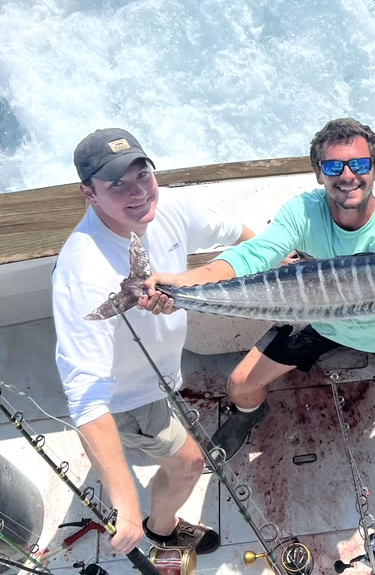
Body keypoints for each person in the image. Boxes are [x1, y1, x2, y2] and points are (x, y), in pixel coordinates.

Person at [138, 117, 375, 459]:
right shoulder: (303, 212)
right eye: (334, 165)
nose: (347, 176)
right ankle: (250, 414)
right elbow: (253, 255)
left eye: (359, 164)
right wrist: (183, 285)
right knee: (239, 387)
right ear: (319, 172)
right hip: (322, 320)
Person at [52, 128, 255, 556]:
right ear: (88, 193)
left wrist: (279, 264)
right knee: (190, 463)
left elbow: (234, 231)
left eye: (142, 173)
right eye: (117, 184)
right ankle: (161, 528)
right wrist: (125, 501)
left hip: (165, 370)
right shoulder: (81, 274)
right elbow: (87, 397)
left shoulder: (165, 208)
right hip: (130, 396)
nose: (138, 192)